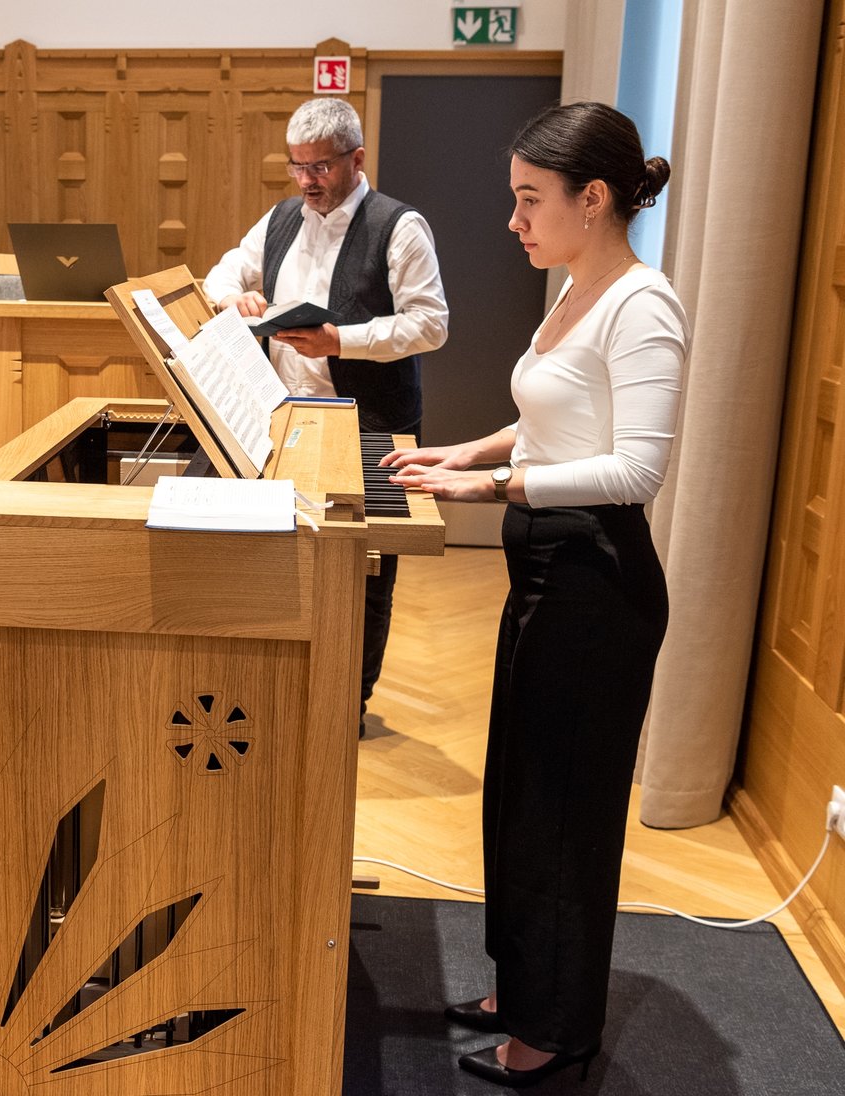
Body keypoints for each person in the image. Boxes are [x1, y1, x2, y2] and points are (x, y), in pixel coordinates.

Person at [383, 101, 690, 1087]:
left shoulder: (643, 305)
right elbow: (551, 417)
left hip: (599, 589)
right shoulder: (574, 288)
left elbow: (635, 469)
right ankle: (521, 987)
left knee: (563, 816)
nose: (512, 220)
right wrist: (465, 449)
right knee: (520, 795)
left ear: (592, 198)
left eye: (529, 200)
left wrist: (491, 487)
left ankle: (555, 1029)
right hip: (546, 576)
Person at [202, 96, 447, 732]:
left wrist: (343, 340)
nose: (307, 180)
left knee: (364, 569)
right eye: (297, 166)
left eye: (321, 167)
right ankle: (288, 693)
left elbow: (431, 324)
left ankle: (346, 707)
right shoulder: (283, 216)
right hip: (285, 417)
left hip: (370, 418)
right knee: (283, 560)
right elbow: (220, 275)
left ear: (356, 159)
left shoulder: (399, 226)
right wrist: (235, 299)